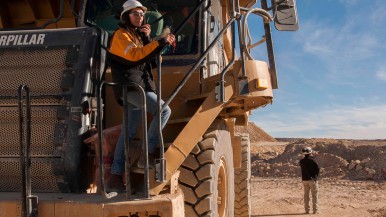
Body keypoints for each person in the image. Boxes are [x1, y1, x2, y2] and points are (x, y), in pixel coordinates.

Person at [106, 0, 175, 191]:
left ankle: (115, 176)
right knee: (163, 110)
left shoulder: (136, 37)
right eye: (136, 14)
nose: (140, 17)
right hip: (131, 88)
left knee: (127, 132)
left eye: (142, 14)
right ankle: (147, 152)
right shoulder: (121, 36)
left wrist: (147, 38)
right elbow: (135, 56)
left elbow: (153, 62)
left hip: (139, 87)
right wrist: (160, 41)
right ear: (126, 16)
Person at [299, 147, 320, 214]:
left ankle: (307, 210)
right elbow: (318, 169)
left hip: (304, 180)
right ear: (310, 152)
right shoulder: (313, 160)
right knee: (314, 195)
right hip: (312, 180)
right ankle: (315, 210)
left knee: (306, 195)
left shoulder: (301, 161)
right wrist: (315, 177)